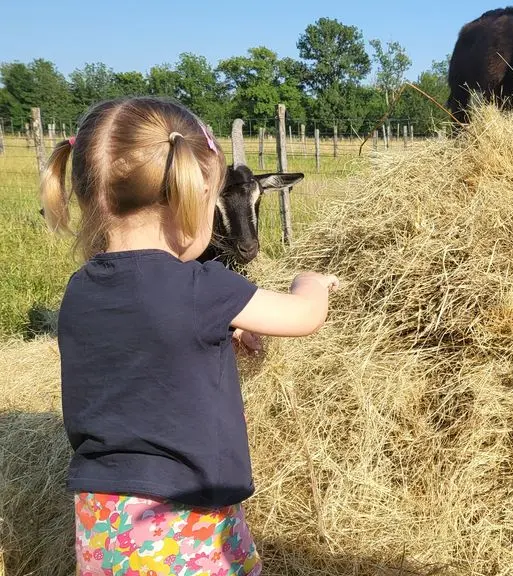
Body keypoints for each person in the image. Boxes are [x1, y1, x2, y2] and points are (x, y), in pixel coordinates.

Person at [39, 96, 338, 575]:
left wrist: (219, 329)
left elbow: (144, 341)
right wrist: (313, 282)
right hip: (182, 517)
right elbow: (304, 316)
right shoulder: (204, 285)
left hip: (101, 521)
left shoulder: (80, 289)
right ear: (193, 195)